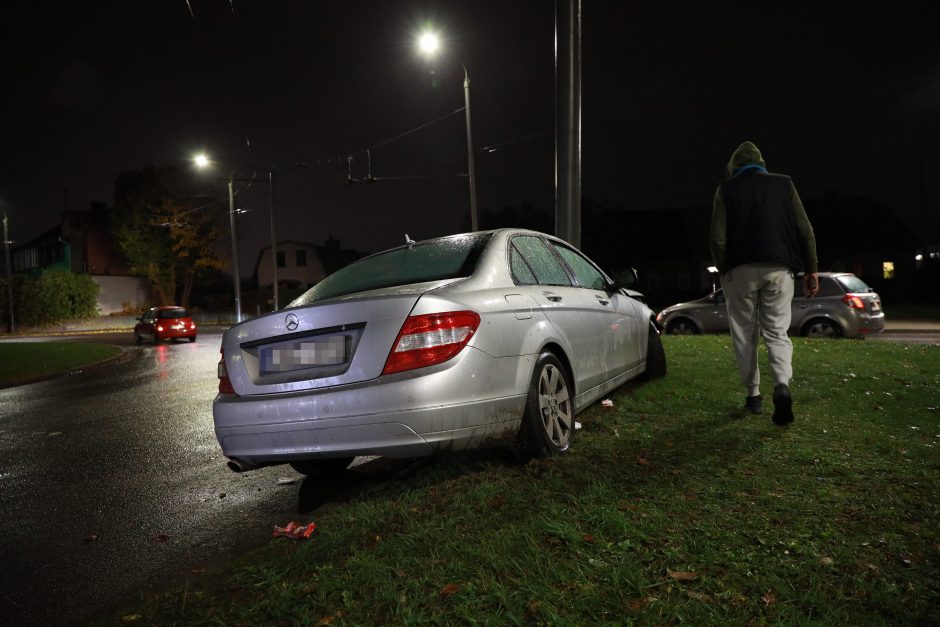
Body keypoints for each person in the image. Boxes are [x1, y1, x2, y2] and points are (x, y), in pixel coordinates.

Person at [709, 141, 819, 425]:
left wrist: (724, 269)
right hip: (780, 267)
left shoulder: (726, 189)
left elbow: (717, 238)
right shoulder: (785, 185)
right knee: (777, 331)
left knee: (745, 333)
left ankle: (753, 395)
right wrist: (811, 270)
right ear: (761, 163)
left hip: (740, 269)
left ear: (734, 167)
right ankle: (781, 384)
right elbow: (805, 231)